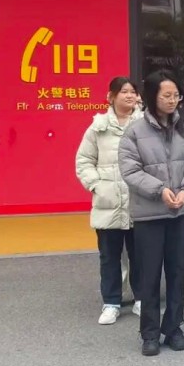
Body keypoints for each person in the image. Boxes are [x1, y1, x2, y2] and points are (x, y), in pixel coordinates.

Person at [118, 70, 184, 357]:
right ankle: (149, 333)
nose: (172, 101)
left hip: (182, 212)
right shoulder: (135, 131)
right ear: (152, 96)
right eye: (166, 95)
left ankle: (173, 327)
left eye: (176, 95)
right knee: (149, 274)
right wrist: (159, 190)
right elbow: (130, 169)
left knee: (176, 271)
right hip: (149, 215)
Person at [75, 76, 143, 325]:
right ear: (111, 96)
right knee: (109, 256)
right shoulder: (98, 127)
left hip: (139, 202)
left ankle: (142, 298)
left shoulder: (145, 125)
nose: (129, 95)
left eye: (133, 91)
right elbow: (84, 161)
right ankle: (111, 302)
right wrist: (97, 186)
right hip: (108, 203)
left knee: (141, 255)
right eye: (124, 91)